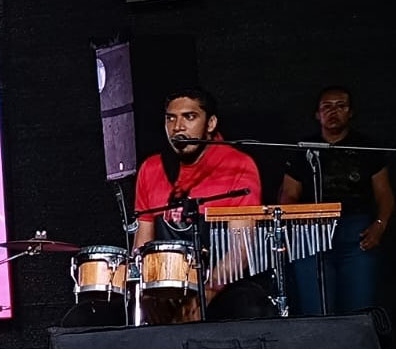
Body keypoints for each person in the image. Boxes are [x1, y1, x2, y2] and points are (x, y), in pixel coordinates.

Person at [132, 87, 264, 323]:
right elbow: (142, 247)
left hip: (223, 285)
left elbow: (241, 249)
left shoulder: (238, 165)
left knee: (249, 307)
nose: (178, 127)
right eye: (170, 118)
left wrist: (206, 292)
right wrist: (148, 293)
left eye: (189, 117)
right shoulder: (150, 169)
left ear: (211, 123)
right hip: (167, 284)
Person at [279, 86, 393, 315]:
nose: (334, 112)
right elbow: (289, 194)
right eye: (327, 107)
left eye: (340, 106)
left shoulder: (366, 147)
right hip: (312, 231)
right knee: (316, 308)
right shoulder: (304, 148)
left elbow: (385, 194)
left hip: (356, 231)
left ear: (350, 112)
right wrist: (297, 223)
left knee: (360, 309)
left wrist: (379, 226)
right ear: (317, 114)